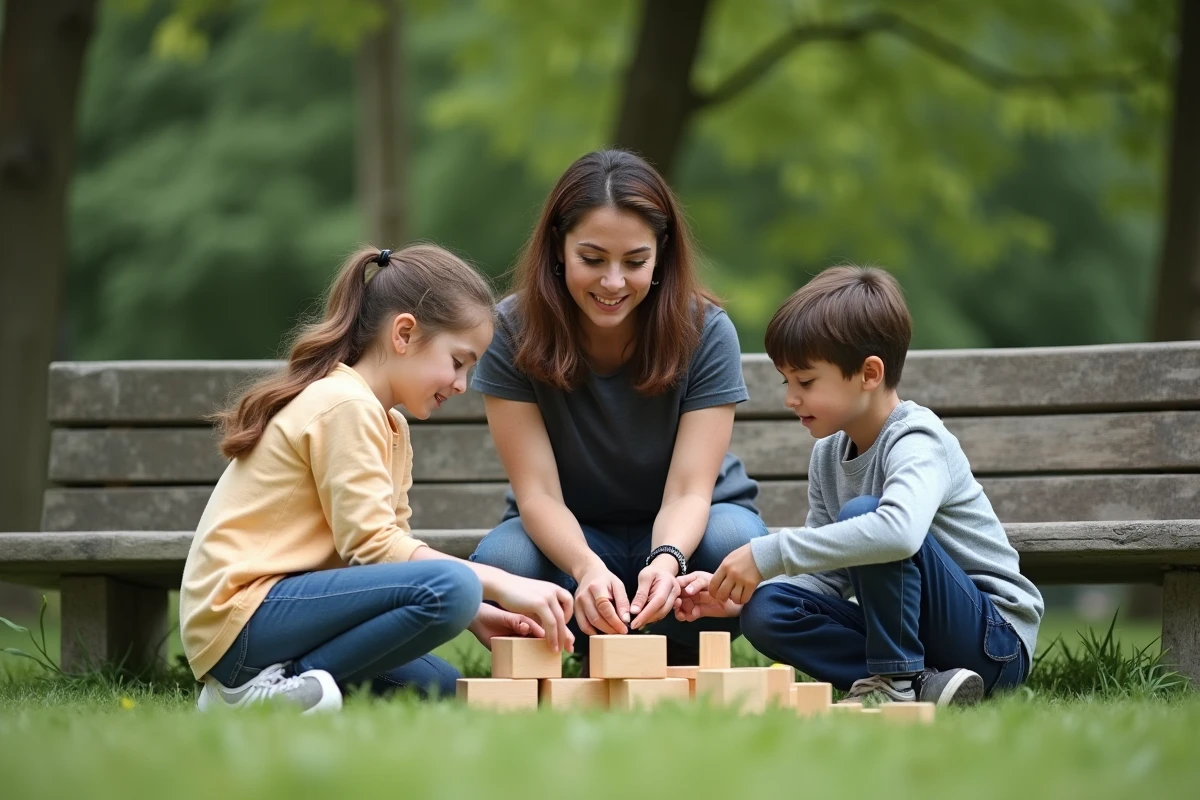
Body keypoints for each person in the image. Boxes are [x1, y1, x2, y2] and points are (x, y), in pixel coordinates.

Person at [180, 244, 574, 714]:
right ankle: (256, 693)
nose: (462, 385)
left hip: (288, 617)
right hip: (243, 620)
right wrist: (497, 585)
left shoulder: (390, 425)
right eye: (458, 361)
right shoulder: (343, 404)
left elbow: (387, 561)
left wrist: (474, 616)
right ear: (404, 333)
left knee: (447, 689)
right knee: (455, 587)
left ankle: (282, 689)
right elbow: (372, 546)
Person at [674, 265, 1044, 706]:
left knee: (867, 517)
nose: (791, 398)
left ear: (869, 374)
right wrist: (741, 591)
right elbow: (829, 576)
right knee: (766, 612)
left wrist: (767, 553)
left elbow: (899, 531)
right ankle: (921, 683)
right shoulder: (829, 455)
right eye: (786, 381)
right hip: (919, 640)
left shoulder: (917, 439)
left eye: (806, 381)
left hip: (991, 641)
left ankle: (897, 683)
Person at [468, 149, 768, 666]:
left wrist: (668, 559)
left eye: (634, 262)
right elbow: (537, 493)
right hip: (569, 538)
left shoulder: (706, 330)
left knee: (734, 541)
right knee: (504, 560)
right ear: (558, 248)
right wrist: (585, 568)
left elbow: (688, 490)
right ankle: (585, 643)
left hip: (687, 534)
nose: (612, 283)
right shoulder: (511, 331)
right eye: (592, 259)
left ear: (661, 254)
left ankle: (673, 652)